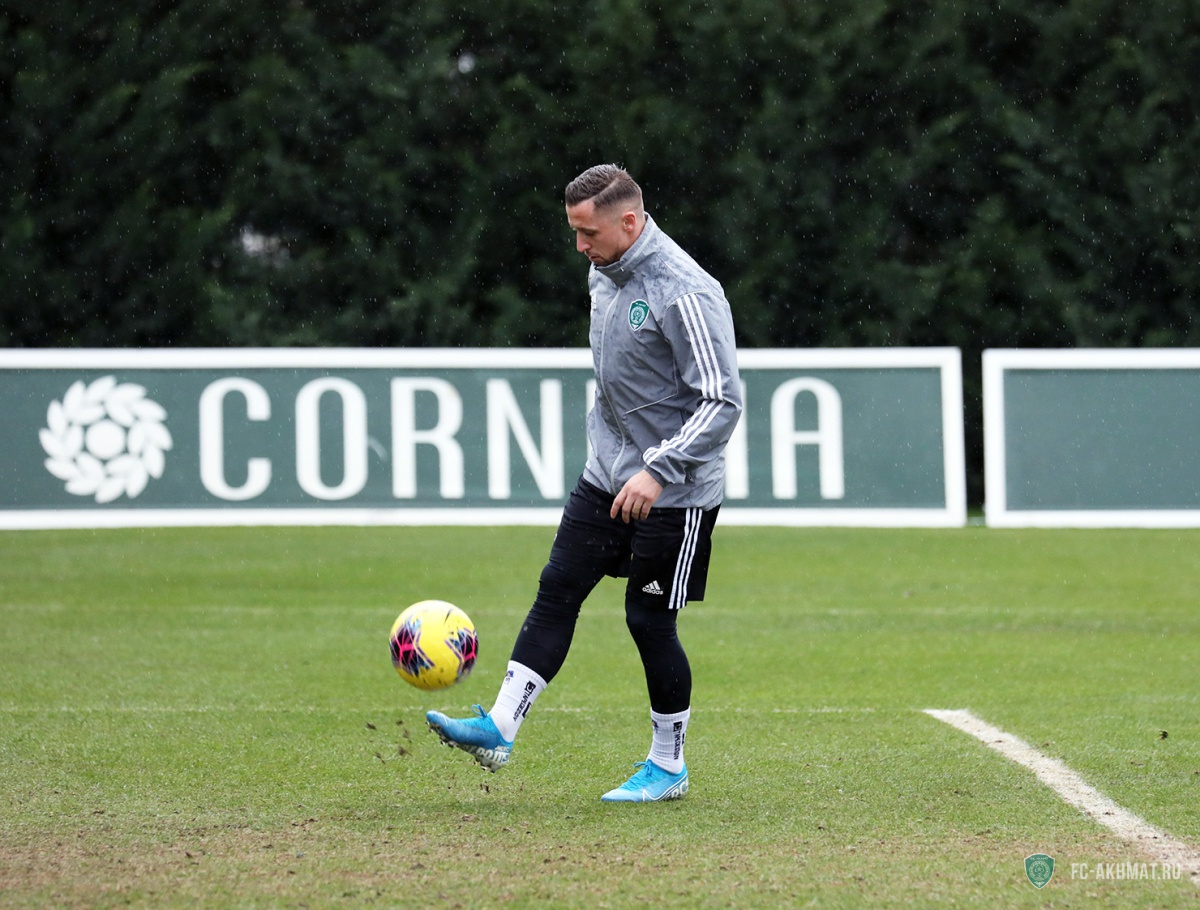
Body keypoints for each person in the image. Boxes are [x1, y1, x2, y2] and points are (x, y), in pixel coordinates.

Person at [427, 164, 741, 803]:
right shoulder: (604, 270)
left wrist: (658, 469)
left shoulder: (686, 291)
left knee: (648, 621)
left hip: (675, 491)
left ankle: (669, 766)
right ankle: (499, 728)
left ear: (629, 221)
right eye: (573, 232)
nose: (579, 247)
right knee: (557, 590)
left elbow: (722, 402)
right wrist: (622, 458)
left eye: (588, 233)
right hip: (607, 474)